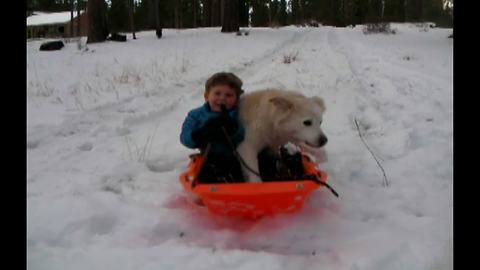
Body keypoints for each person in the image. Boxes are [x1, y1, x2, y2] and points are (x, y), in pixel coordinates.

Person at [180, 72, 245, 183]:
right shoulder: (196, 115)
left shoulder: (241, 113)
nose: (222, 98)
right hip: (211, 157)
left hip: (238, 156)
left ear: (236, 99)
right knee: (208, 171)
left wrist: (234, 130)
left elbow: (248, 134)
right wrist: (200, 134)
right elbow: (185, 138)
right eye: (217, 93)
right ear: (206, 96)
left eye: (229, 95)